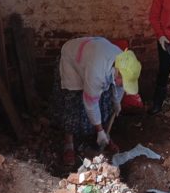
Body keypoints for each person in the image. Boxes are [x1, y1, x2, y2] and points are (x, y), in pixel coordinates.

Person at [52, 36, 142, 166]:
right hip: (72, 60)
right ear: (117, 71)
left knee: (105, 102)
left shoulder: (125, 63)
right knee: (72, 102)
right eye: (123, 81)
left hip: (92, 56)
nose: (123, 84)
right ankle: (69, 143)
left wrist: (117, 102)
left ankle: (105, 136)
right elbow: (91, 104)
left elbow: (120, 86)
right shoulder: (97, 71)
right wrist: (99, 130)